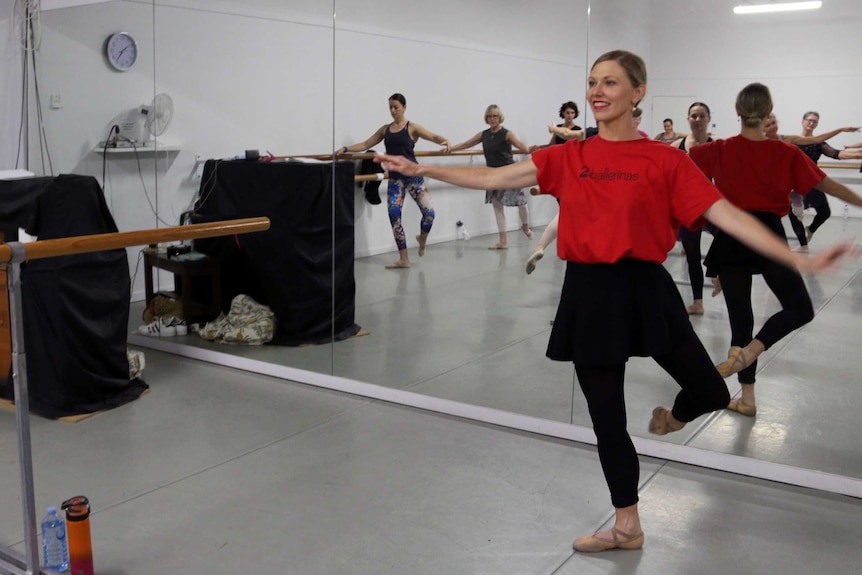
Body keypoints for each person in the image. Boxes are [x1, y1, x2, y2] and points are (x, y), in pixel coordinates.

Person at [377, 50, 852, 554]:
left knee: (712, 392)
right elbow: (497, 177)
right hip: (589, 292)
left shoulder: (667, 159)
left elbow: (727, 214)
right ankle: (627, 524)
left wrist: (796, 258)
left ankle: (672, 418)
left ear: (637, 92)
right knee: (608, 419)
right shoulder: (569, 156)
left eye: (610, 82)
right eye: (592, 82)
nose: (597, 91)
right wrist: (418, 167)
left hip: (647, 287)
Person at [690, 85, 862, 418]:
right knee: (800, 309)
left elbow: (682, 180)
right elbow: (833, 187)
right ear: (769, 111)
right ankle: (752, 356)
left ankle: (747, 393)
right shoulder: (786, 154)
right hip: (769, 234)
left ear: (736, 110)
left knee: (741, 321)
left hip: (732, 235)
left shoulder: (718, 150)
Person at [336, 93, 450, 268]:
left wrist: (445, 141)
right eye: (390, 107)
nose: (393, 110)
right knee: (394, 216)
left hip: (413, 177)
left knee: (429, 214)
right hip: (395, 180)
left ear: (404, 107)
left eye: (396, 107)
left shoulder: (412, 128)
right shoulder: (385, 129)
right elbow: (366, 144)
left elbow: (433, 136)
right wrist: (345, 148)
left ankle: (422, 237)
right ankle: (404, 259)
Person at [449, 105, 532, 249]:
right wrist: (450, 149)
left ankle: (525, 227)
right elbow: (466, 144)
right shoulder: (484, 134)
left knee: (522, 203)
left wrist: (531, 149)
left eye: (495, 116)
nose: (492, 119)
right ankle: (503, 241)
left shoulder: (507, 134)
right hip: (492, 174)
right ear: (486, 118)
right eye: (490, 116)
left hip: (509, 172)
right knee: (497, 207)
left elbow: (522, 146)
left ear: (500, 117)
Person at [783, 112, 862, 249]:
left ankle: (811, 230)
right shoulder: (792, 141)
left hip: (813, 181)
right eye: (809, 120)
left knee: (825, 212)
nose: (811, 123)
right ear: (802, 121)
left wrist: (855, 155)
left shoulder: (818, 142)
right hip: (794, 183)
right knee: (794, 214)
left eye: (815, 121)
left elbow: (835, 153)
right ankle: (803, 245)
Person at [671, 102, 718, 314]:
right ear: (688, 119)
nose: (697, 119)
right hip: (687, 208)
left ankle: (715, 270)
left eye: (701, 116)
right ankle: (698, 302)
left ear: (708, 119)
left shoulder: (716, 147)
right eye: (693, 116)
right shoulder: (677, 146)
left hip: (711, 206)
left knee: (728, 239)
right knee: (691, 255)